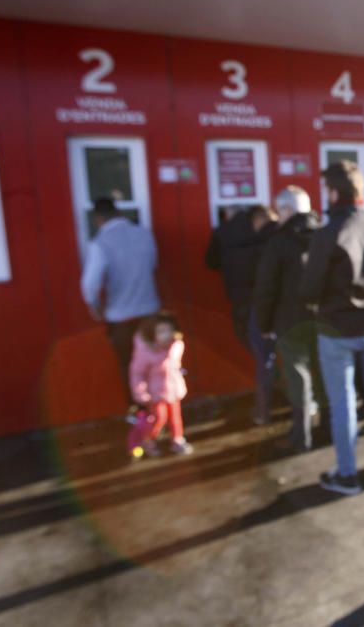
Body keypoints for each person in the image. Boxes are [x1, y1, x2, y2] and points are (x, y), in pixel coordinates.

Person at [300, 161, 364, 496]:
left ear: (332, 191)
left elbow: (309, 288)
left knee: (343, 403)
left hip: (337, 332)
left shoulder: (328, 234)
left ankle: (347, 475)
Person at [253, 186, 325, 452]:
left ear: (286, 209)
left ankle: (301, 437)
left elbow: (266, 287)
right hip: (323, 319)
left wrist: (264, 324)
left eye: (278, 209)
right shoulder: (324, 235)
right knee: (322, 377)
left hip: (290, 322)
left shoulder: (278, 241)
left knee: (299, 380)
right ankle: (326, 431)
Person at [80, 197, 160, 405]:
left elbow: (90, 283)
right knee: (154, 362)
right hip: (150, 310)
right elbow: (153, 263)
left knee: (130, 365)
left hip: (121, 315)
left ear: (98, 219)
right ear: (119, 213)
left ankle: (139, 412)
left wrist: (94, 305)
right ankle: (159, 408)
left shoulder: (99, 244)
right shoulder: (143, 234)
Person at [205, 204, 279, 424]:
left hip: (240, 305)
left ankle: (265, 405)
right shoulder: (269, 238)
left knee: (261, 357)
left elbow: (210, 262)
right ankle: (266, 407)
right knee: (267, 359)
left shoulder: (223, 234)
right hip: (265, 306)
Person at [128, 311, 191, 457]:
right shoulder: (146, 353)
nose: (166, 335)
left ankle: (177, 439)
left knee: (175, 417)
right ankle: (148, 439)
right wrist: (141, 393)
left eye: (169, 330)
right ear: (151, 334)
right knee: (159, 418)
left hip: (173, 389)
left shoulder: (176, 345)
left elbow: (175, 364)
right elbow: (137, 373)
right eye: (161, 331)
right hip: (155, 393)